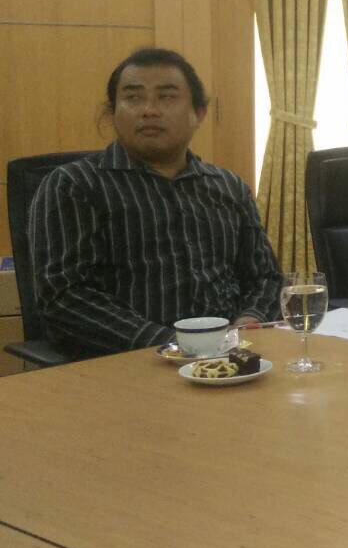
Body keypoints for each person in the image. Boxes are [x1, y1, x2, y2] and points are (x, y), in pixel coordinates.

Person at [30, 48, 282, 358]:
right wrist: (172, 344)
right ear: (112, 112)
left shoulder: (229, 187)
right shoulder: (75, 186)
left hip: (229, 360)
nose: (149, 110)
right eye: (133, 98)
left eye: (167, 97)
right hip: (124, 362)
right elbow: (63, 297)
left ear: (199, 113)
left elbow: (266, 277)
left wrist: (250, 321)